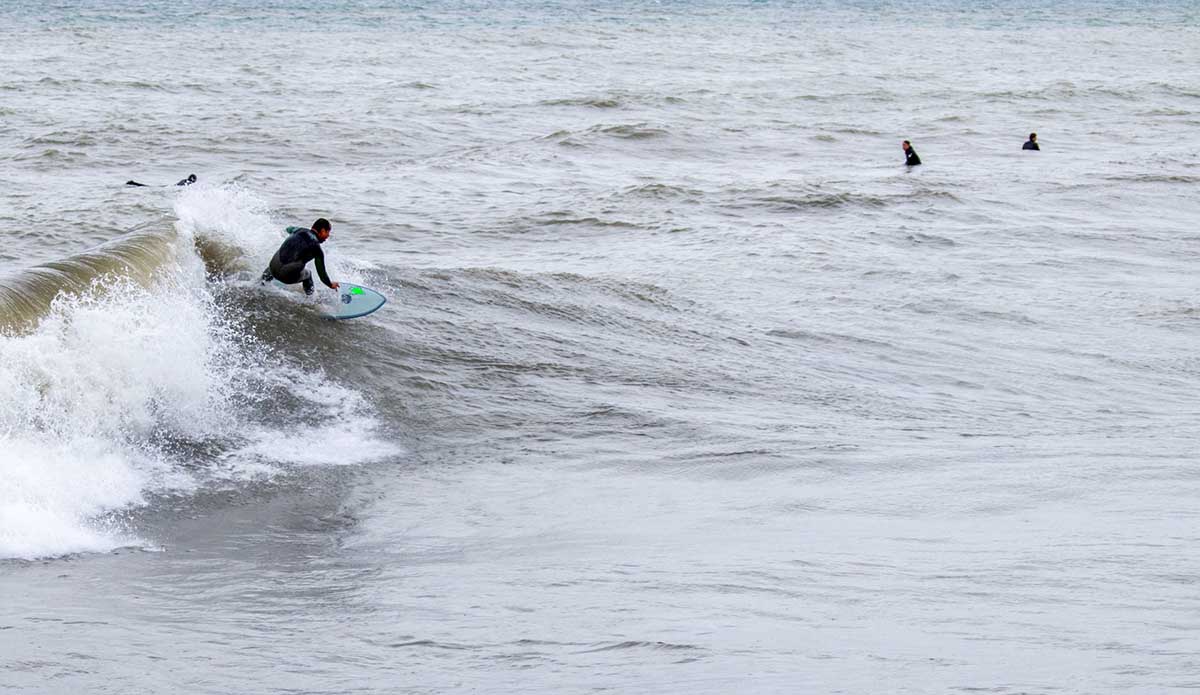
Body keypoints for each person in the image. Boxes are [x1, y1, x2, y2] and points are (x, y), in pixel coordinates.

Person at [260, 218, 339, 296]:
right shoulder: (317, 248)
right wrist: (330, 285)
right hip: (285, 276)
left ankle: (261, 284)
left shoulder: (298, 230)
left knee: (278, 262)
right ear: (322, 231)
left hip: (272, 268)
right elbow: (322, 275)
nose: (328, 236)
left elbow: (288, 229)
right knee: (308, 274)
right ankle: (311, 299)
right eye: (328, 232)